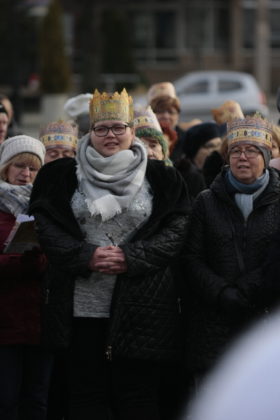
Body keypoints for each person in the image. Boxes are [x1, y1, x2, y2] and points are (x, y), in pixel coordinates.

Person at [29, 88, 190, 420]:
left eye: (119, 127)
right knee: (85, 394)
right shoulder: (59, 176)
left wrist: (132, 257)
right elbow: (46, 226)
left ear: (133, 131)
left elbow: (177, 231)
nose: (111, 135)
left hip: (142, 304)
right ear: (90, 132)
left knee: (137, 396)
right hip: (79, 304)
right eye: (101, 128)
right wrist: (83, 255)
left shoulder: (163, 177)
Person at [183, 114, 280, 398]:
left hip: (265, 319)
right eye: (235, 151)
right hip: (214, 321)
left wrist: (250, 288)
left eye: (251, 150)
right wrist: (221, 291)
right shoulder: (206, 201)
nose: (242, 157)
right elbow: (191, 257)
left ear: (265, 155)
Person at [0, 135, 53, 419]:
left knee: (37, 400)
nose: (26, 174)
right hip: (5, 324)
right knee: (6, 401)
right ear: (5, 167)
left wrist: (37, 257)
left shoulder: (45, 207)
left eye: (33, 168)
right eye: (19, 165)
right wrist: (17, 259)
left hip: (39, 322)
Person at [147, 82, 188, 163]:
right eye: (160, 111)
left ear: (178, 115)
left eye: (171, 112)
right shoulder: (144, 137)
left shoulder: (187, 138)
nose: (166, 116)